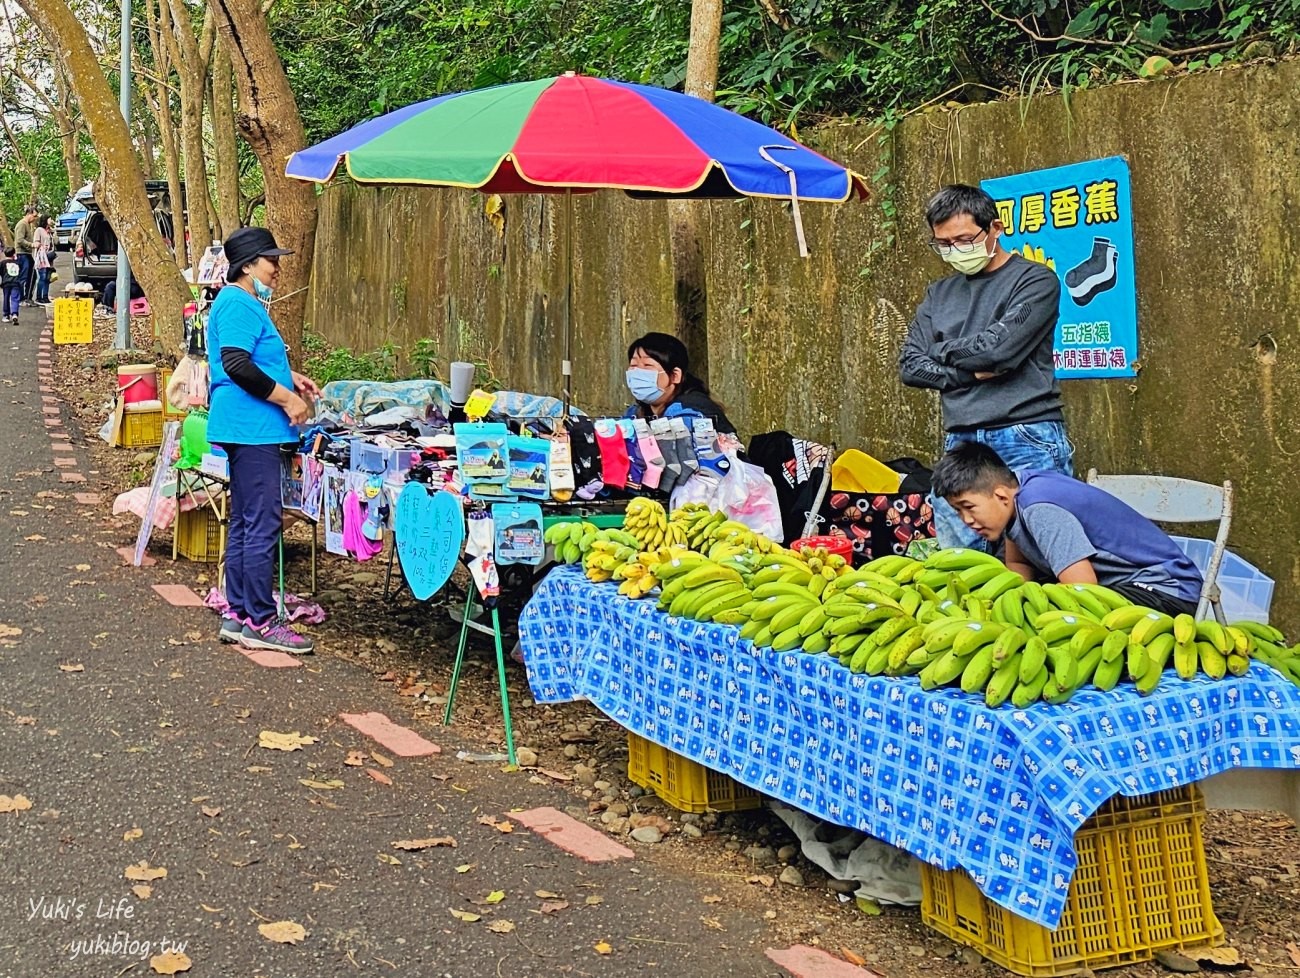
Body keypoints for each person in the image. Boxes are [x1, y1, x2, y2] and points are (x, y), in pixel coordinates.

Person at [899, 184, 1072, 550]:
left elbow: (1000, 352)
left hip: (1026, 432)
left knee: (1042, 553)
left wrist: (939, 350)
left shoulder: (1035, 280)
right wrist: (966, 372)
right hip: (961, 438)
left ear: (995, 228)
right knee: (962, 560)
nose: (954, 251)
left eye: (963, 239)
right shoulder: (939, 294)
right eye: (943, 244)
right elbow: (911, 366)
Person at [207, 227, 320, 654]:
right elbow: (236, 364)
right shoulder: (238, 301)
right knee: (262, 523)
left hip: (245, 426)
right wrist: (288, 398)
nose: (277, 267)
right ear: (248, 264)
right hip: (251, 428)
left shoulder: (240, 302)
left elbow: (249, 359)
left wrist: (288, 377)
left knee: (245, 521)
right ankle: (260, 620)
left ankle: (237, 613)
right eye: (271, 259)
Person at [931, 443, 1203, 616]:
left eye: (969, 507)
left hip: (1165, 588)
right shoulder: (1017, 493)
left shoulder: (1040, 508)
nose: (966, 519)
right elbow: (1018, 566)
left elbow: (1082, 590)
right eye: (958, 511)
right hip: (1114, 585)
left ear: (1000, 496)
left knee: (1065, 615)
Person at [625, 331, 734, 434]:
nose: (637, 372)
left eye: (648, 366)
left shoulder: (691, 412)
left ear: (675, 376)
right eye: (633, 365)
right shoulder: (637, 412)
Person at [14, 206, 37, 304]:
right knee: (23, 276)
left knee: (32, 275)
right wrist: (31, 244)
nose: (34, 218)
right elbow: (19, 240)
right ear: (29, 214)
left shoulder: (28, 224)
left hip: (27, 253)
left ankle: (28, 297)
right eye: (34, 216)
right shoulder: (22, 224)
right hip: (22, 254)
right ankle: (21, 298)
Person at [33, 215, 54, 305]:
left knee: (48, 278)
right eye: (49, 219)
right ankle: (39, 297)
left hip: (49, 257)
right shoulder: (39, 230)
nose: (51, 220)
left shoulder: (49, 231)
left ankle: (45, 296)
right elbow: (36, 241)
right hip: (42, 257)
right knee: (42, 276)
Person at [1, 248, 22, 325]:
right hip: (16, 283)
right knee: (15, 299)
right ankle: (14, 314)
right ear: (14, 254)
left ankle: (6, 315)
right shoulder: (18, 263)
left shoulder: (3, 263)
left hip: (6, 283)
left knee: (6, 298)